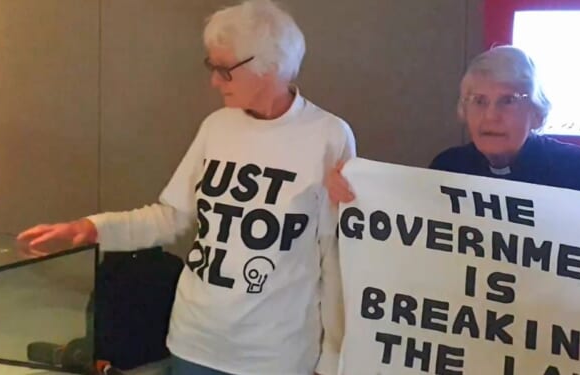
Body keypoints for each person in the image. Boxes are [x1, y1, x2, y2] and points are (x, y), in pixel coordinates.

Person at [18, 1, 355, 374]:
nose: (213, 81)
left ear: (269, 66)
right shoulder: (217, 126)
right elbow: (171, 218)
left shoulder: (327, 136)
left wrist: (332, 359)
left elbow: (335, 256)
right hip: (193, 342)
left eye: (223, 70)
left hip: (273, 356)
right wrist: (88, 229)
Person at [325, 45, 580, 373]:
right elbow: (412, 253)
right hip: (469, 347)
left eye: (508, 101)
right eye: (478, 101)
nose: (491, 115)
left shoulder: (577, 169)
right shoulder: (449, 167)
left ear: (536, 113)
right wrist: (356, 195)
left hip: (546, 349)